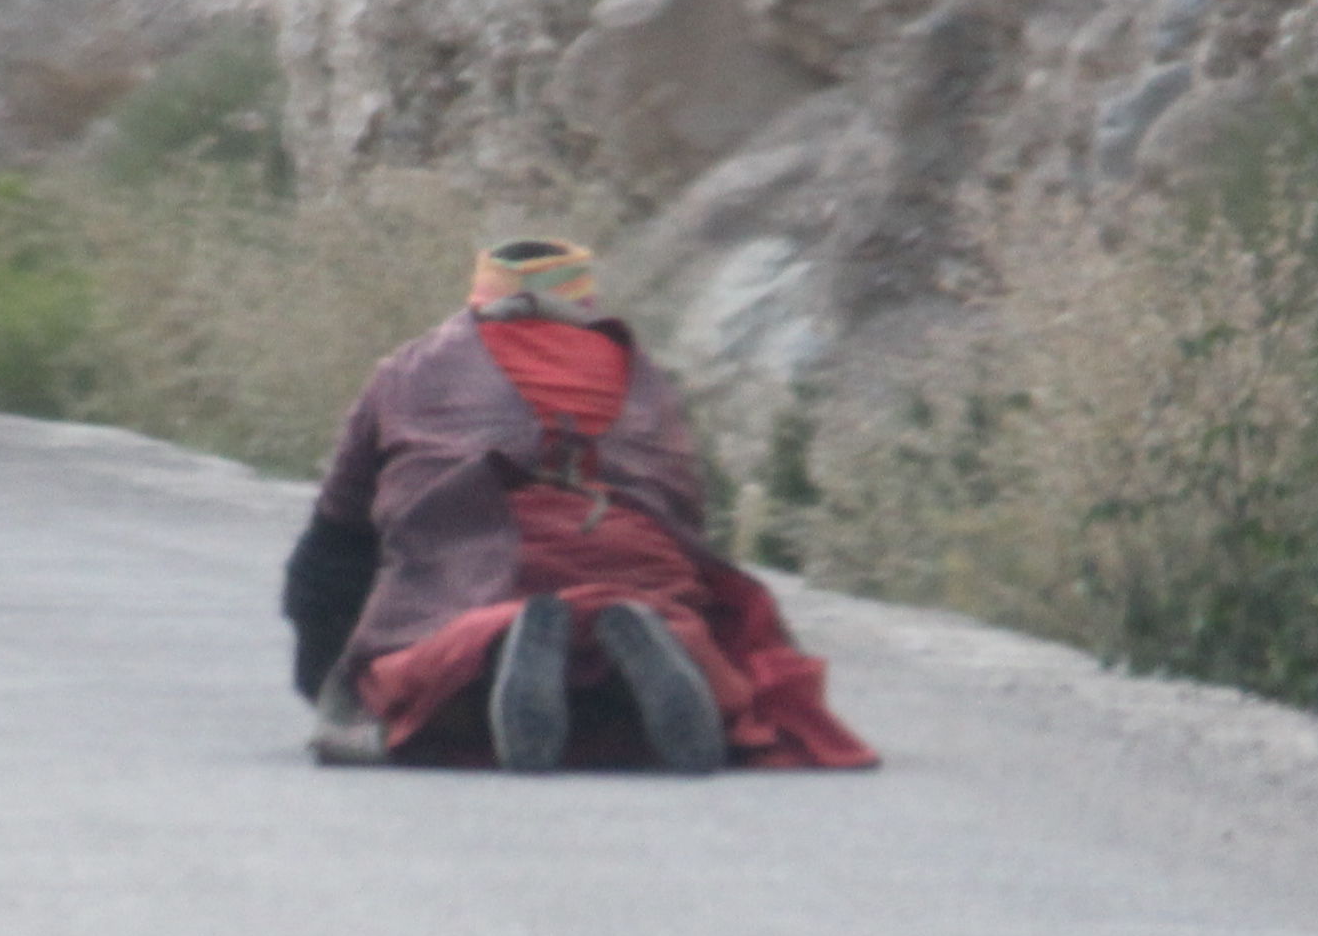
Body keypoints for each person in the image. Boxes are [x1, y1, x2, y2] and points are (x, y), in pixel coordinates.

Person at [279, 238, 876, 774]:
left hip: (485, 557)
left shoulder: (406, 371)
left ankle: (500, 642)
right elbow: (684, 513)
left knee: (421, 674)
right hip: (631, 550)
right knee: (703, 633)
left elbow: (329, 552)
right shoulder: (647, 377)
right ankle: (668, 647)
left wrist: (331, 679)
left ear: (481, 294)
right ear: (584, 299)